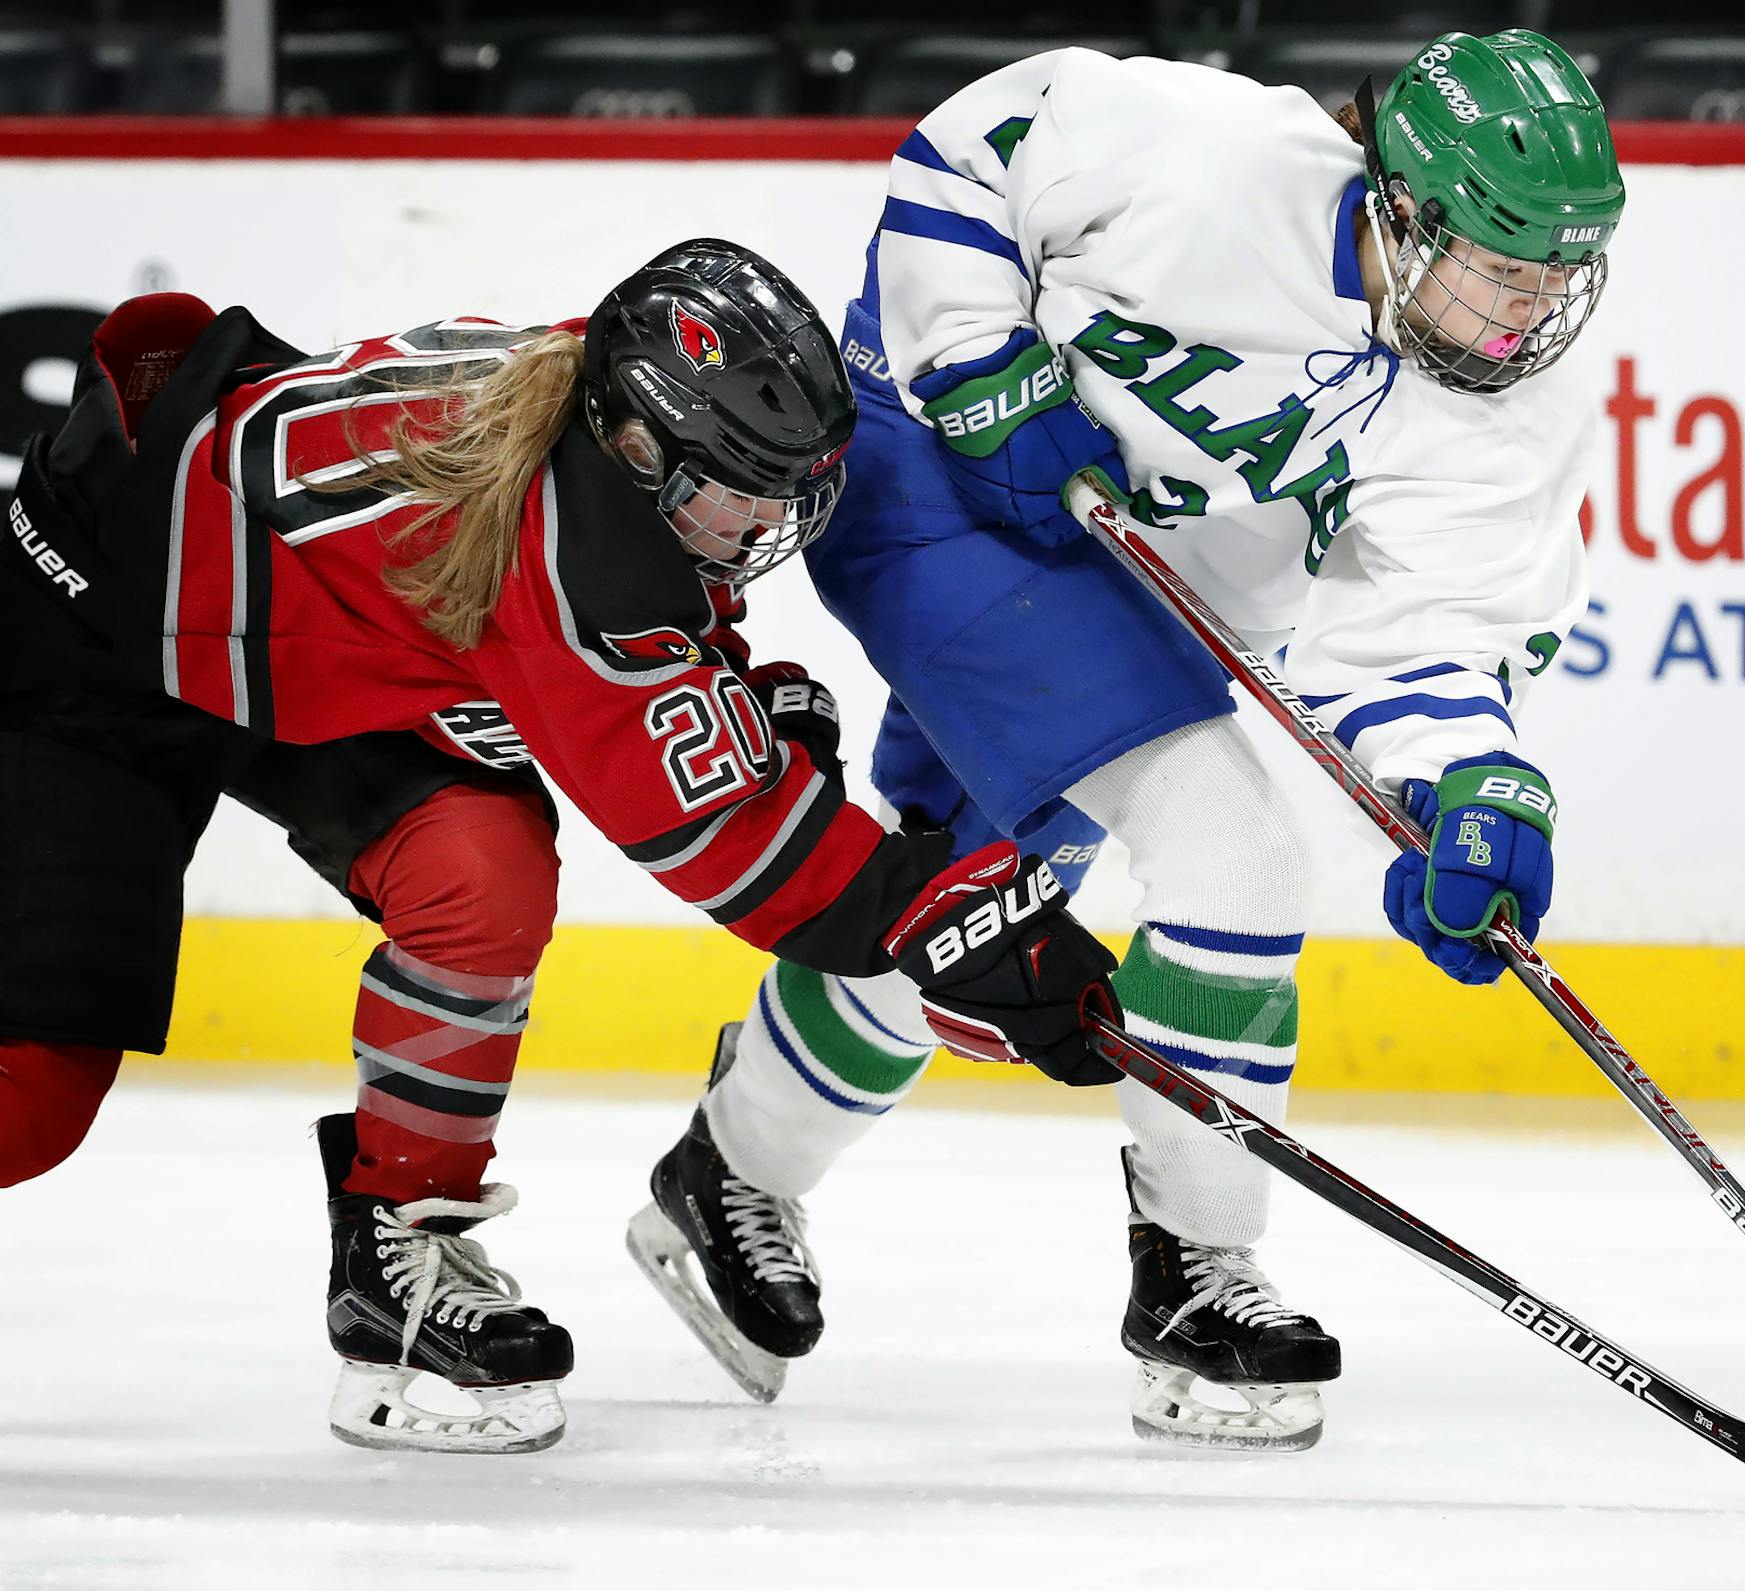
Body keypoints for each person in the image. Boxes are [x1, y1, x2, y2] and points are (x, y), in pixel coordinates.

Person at [632, 30, 1625, 1450]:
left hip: (1126, 575)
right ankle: (1197, 1271)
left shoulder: (1503, 416)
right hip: (930, 463)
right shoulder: (1204, 154)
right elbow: (966, 156)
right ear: (1398, 206)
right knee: (1236, 857)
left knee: (971, 900)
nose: (1526, 314)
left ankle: (726, 1167)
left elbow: (1424, 638)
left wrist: (1469, 784)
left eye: (1556, 278)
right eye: (1498, 265)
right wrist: (976, 356)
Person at [0, 239, 1119, 1455]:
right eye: (738, 487)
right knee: (33, 1104)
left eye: (778, 491)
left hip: (311, 644)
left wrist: (748, 702)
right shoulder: (569, 546)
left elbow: (633, 656)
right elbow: (741, 849)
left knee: (480, 870)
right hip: (88, 632)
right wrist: (950, 918)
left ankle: (399, 1241)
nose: (759, 524)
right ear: (641, 446)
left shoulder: (588, 413)